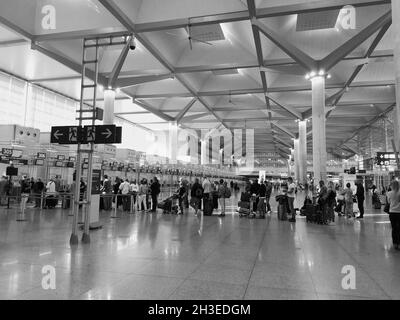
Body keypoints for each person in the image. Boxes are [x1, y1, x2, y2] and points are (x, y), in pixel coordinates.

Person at [386, 180, 400, 250]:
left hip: (392, 212)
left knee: (394, 228)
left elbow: (388, 202)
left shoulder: (389, 193)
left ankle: (395, 244)